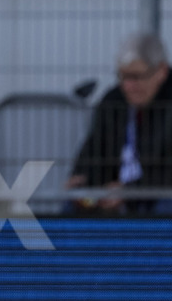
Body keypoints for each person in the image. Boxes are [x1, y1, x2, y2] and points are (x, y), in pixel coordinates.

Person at [68, 31, 172, 214]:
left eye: (137, 77)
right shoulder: (113, 101)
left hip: (155, 195)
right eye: (123, 77)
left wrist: (131, 190)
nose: (128, 86)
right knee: (72, 206)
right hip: (114, 193)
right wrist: (83, 178)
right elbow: (95, 148)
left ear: (161, 71)